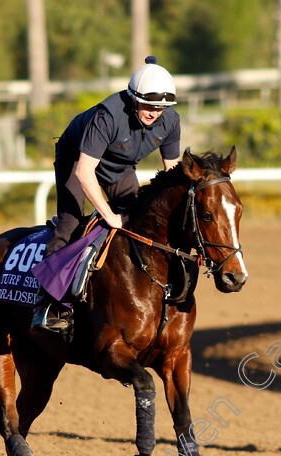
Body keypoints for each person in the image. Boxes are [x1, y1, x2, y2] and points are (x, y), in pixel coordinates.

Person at [31, 56, 181, 332]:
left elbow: (173, 173)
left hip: (119, 165)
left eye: (161, 107)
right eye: (148, 105)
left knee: (140, 221)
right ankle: (48, 303)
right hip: (77, 159)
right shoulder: (108, 115)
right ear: (133, 98)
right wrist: (109, 215)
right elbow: (85, 172)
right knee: (71, 223)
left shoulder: (170, 120)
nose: (154, 113)